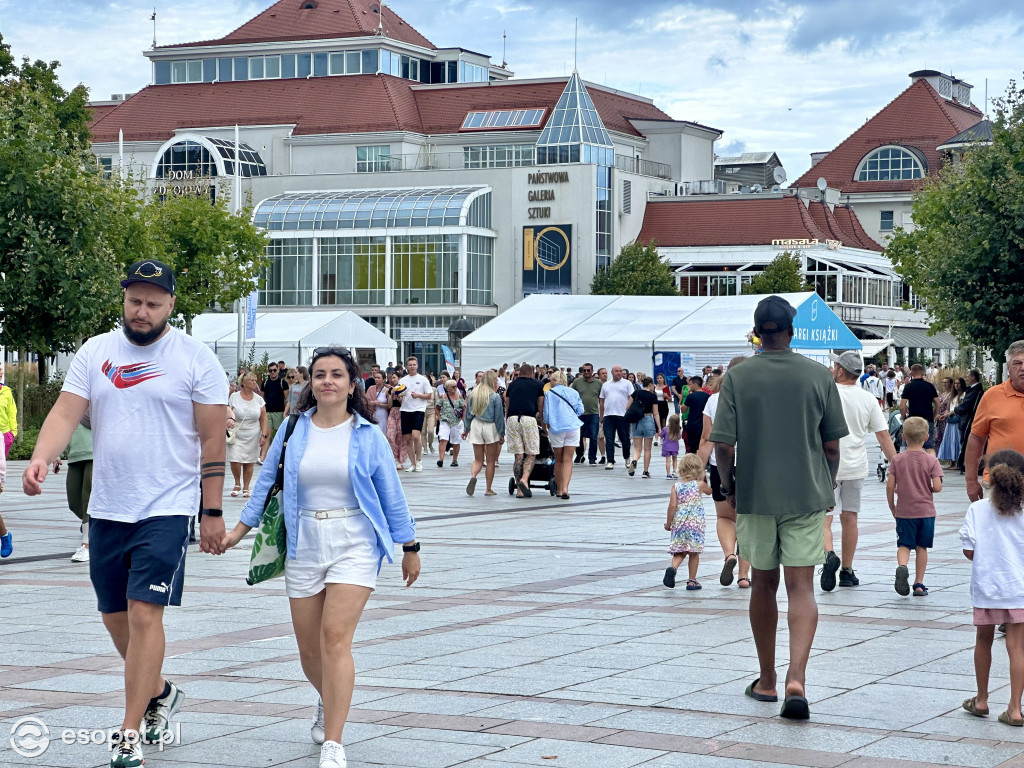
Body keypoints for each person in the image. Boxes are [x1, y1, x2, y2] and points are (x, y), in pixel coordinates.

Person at [22, 259, 228, 768]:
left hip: (168, 506)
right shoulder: (96, 351)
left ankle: (129, 732)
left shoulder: (195, 359)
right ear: (124, 300)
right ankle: (158, 690)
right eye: (135, 301)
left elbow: (212, 439)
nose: (142, 311)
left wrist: (213, 510)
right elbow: (67, 411)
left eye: (153, 303)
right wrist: (42, 456)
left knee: (143, 613)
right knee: (115, 618)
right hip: (109, 507)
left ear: (170, 306)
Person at [222, 347, 420, 768]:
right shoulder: (293, 430)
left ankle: (334, 741)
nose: (327, 381)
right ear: (310, 383)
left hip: (355, 541)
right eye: (319, 375)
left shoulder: (367, 435)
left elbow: (392, 496)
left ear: (352, 384)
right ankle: (327, 699)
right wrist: (239, 531)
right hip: (304, 541)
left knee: (334, 638)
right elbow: (264, 484)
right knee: (309, 652)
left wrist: (410, 547)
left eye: (336, 374)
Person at [711, 295, 848, 719]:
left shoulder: (738, 377)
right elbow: (831, 444)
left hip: (756, 495)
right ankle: (797, 679)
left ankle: (767, 680)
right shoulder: (818, 376)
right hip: (806, 494)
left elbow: (722, 445)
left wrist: (730, 486)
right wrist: (825, 485)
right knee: (801, 588)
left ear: (757, 332)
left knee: (764, 585)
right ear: (792, 330)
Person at [821, 351, 897, 591]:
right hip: (856, 466)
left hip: (827, 466)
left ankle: (828, 555)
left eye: (835, 366)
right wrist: (897, 465)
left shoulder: (826, 394)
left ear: (841, 370)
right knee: (850, 517)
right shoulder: (867, 399)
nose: (833, 369)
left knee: (824, 518)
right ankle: (847, 569)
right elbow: (883, 436)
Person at [959, 449, 1024, 726]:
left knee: (983, 641)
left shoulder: (977, 510)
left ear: (989, 476)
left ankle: (982, 699)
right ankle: (1015, 708)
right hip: (1019, 588)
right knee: (1017, 647)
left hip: (987, 587)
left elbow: (969, 551)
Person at [699, 357, 752, 589]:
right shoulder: (755, 397)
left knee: (724, 517)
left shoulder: (713, 400)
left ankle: (729, 554)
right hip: (751, 464)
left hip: (719, 463)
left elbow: (706, 438)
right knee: (748, 521)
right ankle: (743, 576)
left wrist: (699, 469)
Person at [886, 416, 943, 597]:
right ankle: (919, 584)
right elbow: (937, 487)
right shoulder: (931, 460)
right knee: (921, 547)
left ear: (903, 437)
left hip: (904, 511)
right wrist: (930, 487)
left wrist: (892, 507)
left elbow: (890, 486)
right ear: (926, 437)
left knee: (904, 544)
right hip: (925, 512)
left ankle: (902, 567)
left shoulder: (897, 460)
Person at [965, 343, 1024, 502]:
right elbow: (976, 438)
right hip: (998, 484)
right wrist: (971, 481)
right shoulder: (992, 396)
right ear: (1008, 368)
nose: (1023, 368)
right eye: (1017, 363)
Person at [663, 453, 712, 590]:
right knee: (694, 552)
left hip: (679, 523)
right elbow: (710, 492)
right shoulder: (699, 485)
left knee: (679, 551)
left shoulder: (676, 486)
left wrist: (668, 523)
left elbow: (672, 506)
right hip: (695, 524)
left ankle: (673, 568)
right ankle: (692, 581)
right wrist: (704, 479)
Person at [504, 363, 545, 498]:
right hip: (528, 419)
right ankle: (524, 479)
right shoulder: (538, 384)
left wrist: (507, 423)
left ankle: (519, 491)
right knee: (531, 453)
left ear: (519, 373)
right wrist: (544, 427)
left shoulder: (512, 385)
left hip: (512, 419)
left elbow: (508, 406)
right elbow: (541, 407)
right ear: (532, 373)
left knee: (518, 455)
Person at [463, 370, 505, 496]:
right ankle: (488, 489)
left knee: (478, 459)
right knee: (490, 460)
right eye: (495, 379)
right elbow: (499, 417)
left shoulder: (473, 394)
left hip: (476, 425)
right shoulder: (495, 396)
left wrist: (466, 429)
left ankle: (473, 476)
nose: (497, 381)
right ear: (491, 380)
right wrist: (501, 433)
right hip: (490, 427)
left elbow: (468, 414)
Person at [544, 370, 583, 499]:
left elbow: (547, 414)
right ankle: (566, 488)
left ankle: (559, 489)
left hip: (556, 428)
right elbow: (580, 410)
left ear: (554, 381)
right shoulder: (574, 392)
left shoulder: (550, 393)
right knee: (568, 460)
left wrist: (546, 425)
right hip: (572, 427)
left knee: (558, 459)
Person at [228, 373, 268, 499]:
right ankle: (237, 483)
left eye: (255, 380)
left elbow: (263, 418)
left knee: (249, 461)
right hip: (236, 431)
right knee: (235, 459)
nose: (254, 382)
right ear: (243, 382)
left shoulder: (259, 399)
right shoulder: (234, 397)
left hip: (253, 433)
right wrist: (229, 420)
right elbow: (228, 411)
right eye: (251, 380)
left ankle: (246, 487)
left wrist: (264, 435)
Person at [63, 412, 94, 562]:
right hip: (75, 455)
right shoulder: (72, 400)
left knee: (87, 500)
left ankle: (86, 544)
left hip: (94, 454)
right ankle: (92, 525)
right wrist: (56, 455)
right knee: (74, 502)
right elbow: (62, 426)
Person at [397, 357, 432, 473]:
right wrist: (397, 395)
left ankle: (419, 460)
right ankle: (412, 463)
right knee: (407, 439)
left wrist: (418, 395)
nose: (412, 366)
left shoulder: (423, 380)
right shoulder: (402, 380)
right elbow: (398, 395)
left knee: (416, 436)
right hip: (405, 410)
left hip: (418, 409)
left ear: (417, 366)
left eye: (414, 364)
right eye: (410, 364)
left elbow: (429, 395)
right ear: (406, 367)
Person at [899, 364, 939, 455]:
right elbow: (938, 404)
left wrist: (905, 418)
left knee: (909, 445)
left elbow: (902, 406)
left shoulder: (908, 387)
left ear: (912, 372)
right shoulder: (930, 386)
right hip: (927, 419)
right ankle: (932, 465)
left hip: (912, 420)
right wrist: (933, 416)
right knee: (929, 446)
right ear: (923, 372)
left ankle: (910, 466)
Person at [600, 365, 633, 470]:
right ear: (612, 372)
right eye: (616, 371)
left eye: (620, 371)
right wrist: (601, 416)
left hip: (622, 416)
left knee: (625, 439)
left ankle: (627, 458)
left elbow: (631, 397)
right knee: (609, 439)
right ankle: (610, 461)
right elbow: (602, 401)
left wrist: (629, 412)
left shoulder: (627, 383)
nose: (618, 373)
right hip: (608, 416)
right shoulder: (606, 385)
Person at [627, 377, 661, 478]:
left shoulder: (636, 393)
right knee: (647, 449)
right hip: (647, 419)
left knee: (637, 448)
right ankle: (645, 471)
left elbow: (627, 407)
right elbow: (655, 413)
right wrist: (659, 427)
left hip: (636, 421)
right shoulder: (653, 396)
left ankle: (634, 460)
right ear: (650, 384)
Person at [571, 363, 602, 466]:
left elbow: (602, 399)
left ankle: (592, 458)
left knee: (593, 436)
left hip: (593, 413)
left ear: (592, 371)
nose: (586, 372)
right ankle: (579, 455)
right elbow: (571, 396)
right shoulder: (577, 382)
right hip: (579, 414)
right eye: (584, 370)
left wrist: (602, 414)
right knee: (578, 436)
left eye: (588, 370)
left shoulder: (598, 383)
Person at [260, 362, 289, 461]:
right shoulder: (265, 382)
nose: (272, 372)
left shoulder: (283, 383)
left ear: (278, 370)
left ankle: (279, 458)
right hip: (267, 412)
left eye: (274, 370)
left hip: (279, 412)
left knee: (279, 436)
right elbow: (261, 398)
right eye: (270, 371)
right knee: (267, 435)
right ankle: (263, 457)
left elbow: (287, 398)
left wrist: (286, 412)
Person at [436, 380, 465, 468]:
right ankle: (441, 459)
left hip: (456, 421)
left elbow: (464, 408)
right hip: (445, 420)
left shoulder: (459, 396)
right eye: (453, 387)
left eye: (456, 386)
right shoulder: (443, 396)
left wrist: (463, 420)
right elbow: (437, 407)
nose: (455, 388)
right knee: (443, 439)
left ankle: (455, 460)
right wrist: (439, 417)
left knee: (456, 441)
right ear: (447, 388)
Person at [938, 377, 966, 467]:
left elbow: (959, 408)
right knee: (949, 440)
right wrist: (945, 414)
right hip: (950, 420)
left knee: (956, 440)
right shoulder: (953, 396)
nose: (956, 386)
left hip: (957, 420)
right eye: (955, 384)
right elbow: (948, 408)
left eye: (958, 384)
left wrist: (949, 413)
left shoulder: (963, 395)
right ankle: (951, 461)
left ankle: (957, 462)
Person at [383, 372, 408, 470]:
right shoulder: (389, 390)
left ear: (399, 378)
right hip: (393, 413)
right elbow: (389, 405)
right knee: (390, 436)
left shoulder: (403, 388)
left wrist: (399, 396)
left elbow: (404, 403)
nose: (392, 379)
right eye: (391, 378)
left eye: (394, 377)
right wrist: (391, 394)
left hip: (402, 413)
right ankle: (394, 458)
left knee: (401, 438)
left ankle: (401, 460)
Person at [683, 376, 709, 453]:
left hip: (692, 424)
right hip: (704, 424)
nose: (689, 386)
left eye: (690, 384)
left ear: (695, 384)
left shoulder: (690, 396)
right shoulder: (707, 396)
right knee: (702, 446)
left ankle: (693, 462)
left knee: (692, 447)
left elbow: (683, 410)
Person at [0, 362, 17, 457]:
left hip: (4, 433)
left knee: (1, 467)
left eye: (1, 370)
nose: (1, 372)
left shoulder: (6, 391)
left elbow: (12, 411)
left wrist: (12, 433)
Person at [934, 375, 954, 456]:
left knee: (945, 436)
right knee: (937, 437)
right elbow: (937, 405)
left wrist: (945, 414)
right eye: (943, 383)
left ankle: (945, 454)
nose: (945, 384)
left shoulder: (951, 395)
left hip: (946, 417)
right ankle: (937, 454)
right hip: (939, 417)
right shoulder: (942, 394)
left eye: (946, 382)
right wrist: (937, 414)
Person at [661, 414, 681, 479]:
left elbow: (661, 435)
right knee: (675, 459)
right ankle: (674, 471)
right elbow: (679, 437)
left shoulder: (665, 429)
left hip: (666, 447)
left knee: (668, 461)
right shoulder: (677, 431)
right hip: (675, 448)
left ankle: (668, 474)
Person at [421, 382, 438, 457]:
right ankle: (425, 448)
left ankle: (430, 444)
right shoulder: (419, 389)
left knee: (431, 431)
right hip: (421, 411)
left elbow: (437, 401)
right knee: (423, 431)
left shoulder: (433, 389)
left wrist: (437, 414)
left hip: (431, 411)